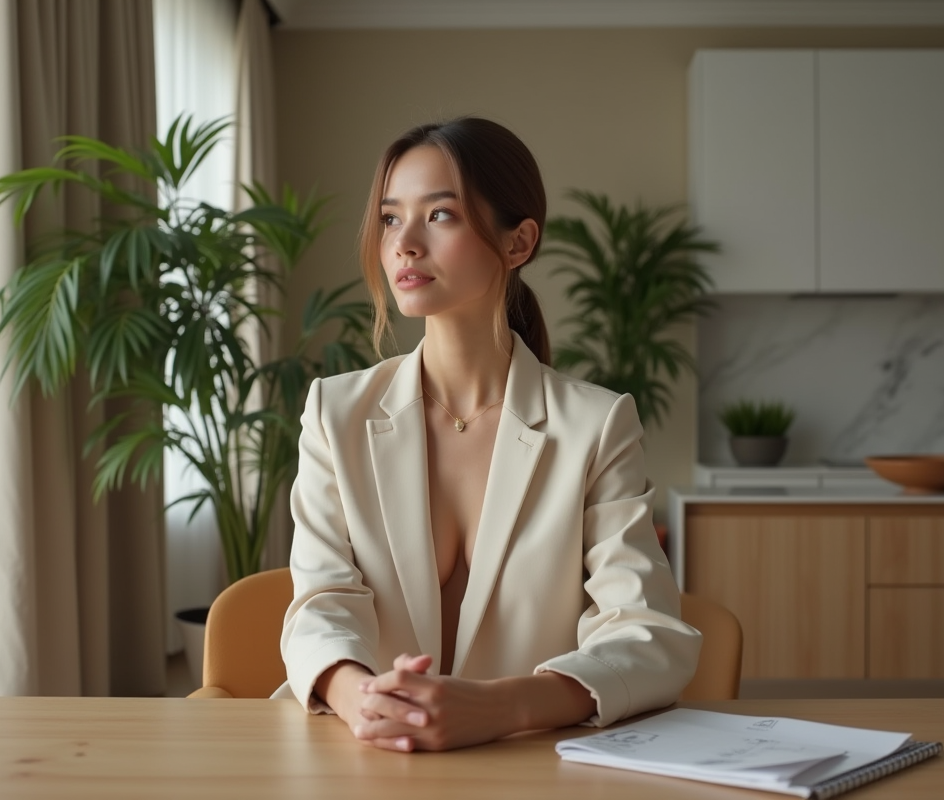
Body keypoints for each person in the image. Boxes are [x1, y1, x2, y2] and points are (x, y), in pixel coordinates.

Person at [274, 117, 701, 752]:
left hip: (527, 760)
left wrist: (500, 708)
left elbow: (648, 632)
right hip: (356, 754)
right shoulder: (336, 412)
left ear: (518, 242)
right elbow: (320, 602)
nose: (405, 244)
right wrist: (361, 699)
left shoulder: (595, 424)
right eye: (391, 218)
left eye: (439, 215)